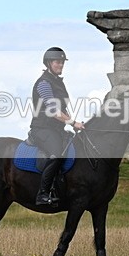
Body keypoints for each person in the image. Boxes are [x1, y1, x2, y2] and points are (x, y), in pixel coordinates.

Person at [28, 47, 84, 206]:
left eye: (62, 62)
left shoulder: (58, 82)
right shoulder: (44, 83)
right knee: (57, 154)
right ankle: (43, 194)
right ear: (48, 63)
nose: (60, 65)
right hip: (42, 129)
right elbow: (53, 110)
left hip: (57, 129)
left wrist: (73, 124)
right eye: (57, 62)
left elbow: (62, 110)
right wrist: (73, 122)